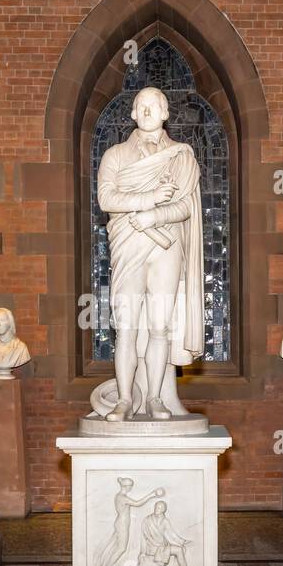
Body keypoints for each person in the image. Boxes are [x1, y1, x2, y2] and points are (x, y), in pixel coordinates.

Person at [95, 86, 204, 421]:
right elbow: (106, 199)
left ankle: (156, 398)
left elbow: (186, 205)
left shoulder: (181, 156)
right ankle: (125, 400)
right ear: (132, 114)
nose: (146, 111)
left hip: (165, 250)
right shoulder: (115, 156)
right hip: (128, 247)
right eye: (140, 106)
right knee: (126, 327)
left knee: (159, 327)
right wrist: (149, 198)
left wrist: (153, 216)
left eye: (153, 106)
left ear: (165, 112)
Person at [94, 479, 165, 566]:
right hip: (122, 524)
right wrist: (152, 494)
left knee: (116, 546)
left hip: (121, 523)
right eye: (130, 486)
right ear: (126, 486)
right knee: (121, 548)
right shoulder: (122, 497)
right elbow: (138, 503)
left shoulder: (120, 496)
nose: (131, 488)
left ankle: (106, 565)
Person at [139, 499, 198, 566]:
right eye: (156, 507)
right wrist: (142, 552)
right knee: (179, 550)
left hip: (161, 546)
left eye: (159, 508)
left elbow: (172, 534)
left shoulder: (165, 521)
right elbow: (143, 536)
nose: (157, 509)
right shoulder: (147, 520)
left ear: (164, 510)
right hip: (152, 548)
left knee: (181, 548)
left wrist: (182, 541)